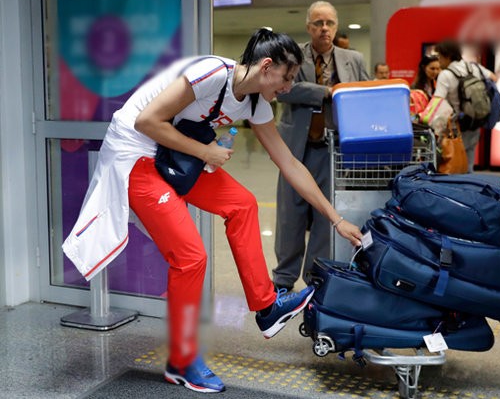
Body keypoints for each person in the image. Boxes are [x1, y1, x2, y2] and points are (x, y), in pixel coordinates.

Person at [62, 28, 363, 394]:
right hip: (135, 154)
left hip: (173, 154)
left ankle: (267, 308)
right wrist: (206, 153)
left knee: (243, 204)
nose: (287, 87)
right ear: (266, 66)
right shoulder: (210, 74)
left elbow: (290, 164)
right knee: (190, 257)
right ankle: (182, 359)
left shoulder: (256, 104)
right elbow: (147, 122)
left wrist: (336, 218)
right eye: (286, 78)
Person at [273, 1, 369, 293]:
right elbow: (282, 90)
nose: (324, 28)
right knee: (291, 216)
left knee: (325, 219)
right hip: (295, 149)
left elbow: (364, 94)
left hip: (333, 151)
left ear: (336, 27)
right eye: (318, 23)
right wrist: (328, 92)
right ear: (308, 27)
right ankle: (283, 279)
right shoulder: (291, 56)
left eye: (329, 23)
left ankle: (314, 278)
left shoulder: (354, 59)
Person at [433, 40, 496, 173]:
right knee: (469, 162)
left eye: (439, 57)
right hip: (475, 120)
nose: (439, 61)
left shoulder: (445, 75)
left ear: (447, 56)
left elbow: (437, 101)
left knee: (454, 164)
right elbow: (493, 78)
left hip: (457, 126)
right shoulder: (474, 67)